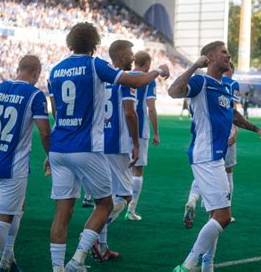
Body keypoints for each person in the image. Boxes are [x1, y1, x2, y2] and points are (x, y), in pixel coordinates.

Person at [47, 22, 169, 272]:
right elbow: (136, 82)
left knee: (62, 211)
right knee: (105, 204)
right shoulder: (95, 64)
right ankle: (77, 259)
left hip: (58, 147)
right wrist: (157, 71)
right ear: (95, 45)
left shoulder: (55, 70)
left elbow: (56, 110)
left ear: (70, 43)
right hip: (85, 147)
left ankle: (57, 268)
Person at [168, 41, 261, 272]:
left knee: (216, 215)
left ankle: (207, 265)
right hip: (205, 155)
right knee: (223, 217)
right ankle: (187, 266)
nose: (229, 55)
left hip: (216, 158)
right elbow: (173, 91)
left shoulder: (224, 87)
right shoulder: (201, 82)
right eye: (223, 52)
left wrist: (257, 129)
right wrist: (195, 66)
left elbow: (233, 114)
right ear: (210, 57)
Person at [0, 55, 51, 272]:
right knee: (2, 219)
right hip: (13, 167)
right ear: (37, 73)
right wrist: (51, 156)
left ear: (18, 68)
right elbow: (45, 132)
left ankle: (8, 258)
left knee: (18, 206)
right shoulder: (35, 95)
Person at [94, 40, 144, 260]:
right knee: (124, 195)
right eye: (131, 54)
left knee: (106, 197)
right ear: (122, 57)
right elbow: (130, 113)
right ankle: (92, 234)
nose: (133, 58)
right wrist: (136, 143)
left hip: (98, 142)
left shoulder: (101, 77)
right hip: (117, 143)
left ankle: (102, 248)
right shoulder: (126, 80)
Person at [183, 63, 241, 228]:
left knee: (206, 171)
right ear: (231, 70)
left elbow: (191, 106)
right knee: (226, 171)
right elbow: (232, 111)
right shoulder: (231, 84)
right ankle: (221, 210)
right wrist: (235, 131)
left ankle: (193, 199)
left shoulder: (202, 82)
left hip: (202, 137)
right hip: (223, 134)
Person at [125, 51, 161, 220]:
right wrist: (156, 133)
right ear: (147, 64)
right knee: (137, 171)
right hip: (138, 129)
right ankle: (130, 210)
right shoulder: (148, 80)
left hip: (120, 129)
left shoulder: (123, 76)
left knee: (119, 168)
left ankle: (110, 204)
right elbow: (151, 108)